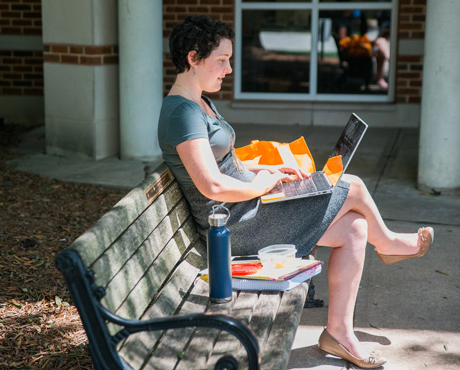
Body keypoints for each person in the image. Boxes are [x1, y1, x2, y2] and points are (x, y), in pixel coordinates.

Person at [157, 15, 433, 369]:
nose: (228, 69)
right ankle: (391, 244)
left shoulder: (198, 102)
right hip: (236, 228)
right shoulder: (182, 112)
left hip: (250, 209)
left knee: (354, 229)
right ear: (193, 58)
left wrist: (267, 170)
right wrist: (261, 184)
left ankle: (338, 334)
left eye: (229, 59)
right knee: (353, 186)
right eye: (221, 60)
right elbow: (211, 184)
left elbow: (222, 160)